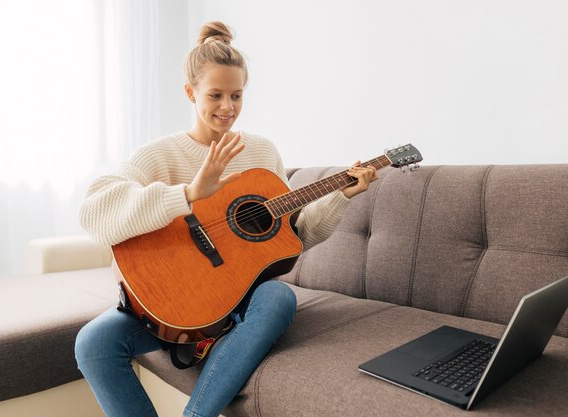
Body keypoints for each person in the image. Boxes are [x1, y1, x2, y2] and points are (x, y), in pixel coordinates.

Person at [75, 21, 377, 417]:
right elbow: (94, 211)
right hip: (174, 302)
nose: (227, 107)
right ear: (190, 92)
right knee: (92, 344)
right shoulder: (162, 154)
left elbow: (292, 236)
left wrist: (340, 195)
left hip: (240, 300)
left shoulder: (262, 153)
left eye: (236, 95)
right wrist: (188, 194)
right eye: (215, 95)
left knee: (279, 296)